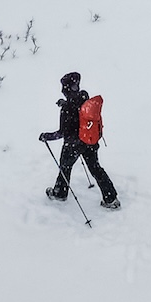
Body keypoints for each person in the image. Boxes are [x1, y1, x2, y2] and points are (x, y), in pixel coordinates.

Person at [40, 70, 120, 210]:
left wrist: (46, 136)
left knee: (65, 167)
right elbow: (76, 107)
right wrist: (64, 103)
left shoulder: (66, 110)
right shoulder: (85, 97)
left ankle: (60, 193)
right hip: (89, 141)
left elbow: (62, 133)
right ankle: (111, 198)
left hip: (73, 145)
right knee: (95, 168)